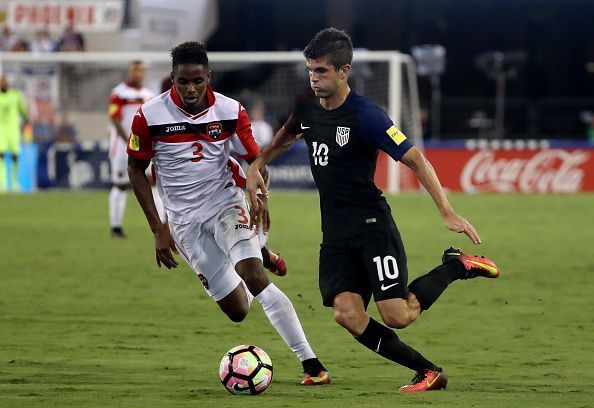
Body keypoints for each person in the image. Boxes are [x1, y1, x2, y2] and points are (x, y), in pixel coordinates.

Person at [247, 28, 501, 393]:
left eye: (321, 71)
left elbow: (416, 159)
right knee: (346, 314)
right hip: (334, 234)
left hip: (372, 228)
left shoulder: (368, 116)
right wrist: (257, 165)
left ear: (343, 71)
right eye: (310, 70)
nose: (313, 78)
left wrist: (446, 210)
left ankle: (456, 266)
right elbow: (285, 136)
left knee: (397, 316)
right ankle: (428, 371)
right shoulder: (305, 105)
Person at [126, 41, 330, 385]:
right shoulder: (149, 115)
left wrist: (258, 193)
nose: (190, 89)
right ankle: (259, 252)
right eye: (182, 82)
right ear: (172, 79)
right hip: (183, 222)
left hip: (225, 201)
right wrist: (158, 229)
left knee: (253, 276)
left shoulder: (231, 110)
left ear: (210, 77)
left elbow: (256, 162)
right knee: (238, 311)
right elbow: (135, 170)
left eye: (198, 81)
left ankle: (311, 363)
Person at [108, 60, 162, 237]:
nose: (138, 74)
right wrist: (129, 141)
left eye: (141, 71)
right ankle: (116, 227)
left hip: (144, 146)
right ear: (130, 72)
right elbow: (115, 119)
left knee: (153, 182)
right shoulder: (118, 93)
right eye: (135, 71)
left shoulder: (149, 95)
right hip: (123, 146)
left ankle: (161, 224)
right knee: (120, 185)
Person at [0, 76, 28, 192]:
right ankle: (3, 184)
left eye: (4, 81)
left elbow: (23, 110)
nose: (3, 84)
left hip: (13, 130)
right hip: (1, 130)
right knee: (0, 155)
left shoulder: (16, 95)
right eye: (2, 82)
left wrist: (26, 120)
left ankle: (14, 183)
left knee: (15, 156)